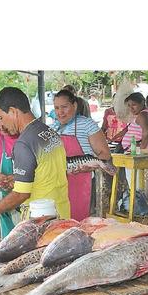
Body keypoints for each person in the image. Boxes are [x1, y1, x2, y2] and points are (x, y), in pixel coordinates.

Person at [0, 87, 70, 228]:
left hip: (41, 222)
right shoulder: (48, 132)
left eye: (1, 118)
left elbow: (21, 194)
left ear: (12, 111)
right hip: (61, 211)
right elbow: (48, 172)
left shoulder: (23, 143)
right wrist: (17, 178)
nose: (2, 125)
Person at [51, 89, 111, 220]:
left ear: (75, 105)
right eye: (56, 108)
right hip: (57, 183)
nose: (60, 112)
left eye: (64, 107)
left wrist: (90, 166)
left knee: (78, 223)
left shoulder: (87, 124)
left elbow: (105, 153)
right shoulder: (54, 127)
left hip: (81, 181)